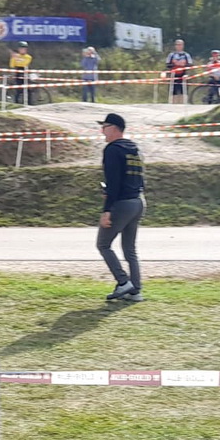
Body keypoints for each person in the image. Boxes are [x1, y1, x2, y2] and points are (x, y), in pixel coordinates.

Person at [97, 112, 145, 302]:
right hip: (138, 201)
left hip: (122, 203)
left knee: (103, 244)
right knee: (130, 249)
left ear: (115, 128)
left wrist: (107, 210)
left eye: (105, 127)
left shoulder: (112, 149)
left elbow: (114, 181)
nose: (102, 131)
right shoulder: (134, 149)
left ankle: (123, 281)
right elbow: (139, 178)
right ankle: (135, 291)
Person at [165, 39, 191, 105]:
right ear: (175, 46)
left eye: (180, 45)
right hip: (174, 75)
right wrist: (175, 65)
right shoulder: (171, 55)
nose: (179, 46)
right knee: (174, 91)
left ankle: (182, 105)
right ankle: (174, 105)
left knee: (183, 91)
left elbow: (190, 65)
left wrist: (187, 74)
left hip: (183, 75)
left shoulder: (186, 55)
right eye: (177, 45)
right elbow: (168, 65)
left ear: (183, 45)